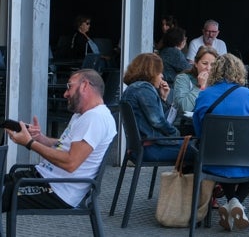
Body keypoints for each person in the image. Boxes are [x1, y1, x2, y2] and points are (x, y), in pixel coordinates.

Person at [3, 69, 116, 211]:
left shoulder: (95, 118)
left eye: (69, 86)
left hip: (57, 190)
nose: (65, 93)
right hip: (44, 178)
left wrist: (30, 143)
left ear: (85, 85)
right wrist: (41, 139)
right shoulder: (82, 115)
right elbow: (66, 145)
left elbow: (70, 162)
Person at [192, 53, 249, 231]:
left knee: (227, 162)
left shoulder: (204, 96)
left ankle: (232, 203)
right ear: (239, 71)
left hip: (212, 161)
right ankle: (236, 203)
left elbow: (199, 132)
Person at [121, 53, 190, 163]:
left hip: (140, 148)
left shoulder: (132, 89)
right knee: (198, 150)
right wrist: (176, 134)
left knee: (193, 146)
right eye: (159, 72)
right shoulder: (144, 88)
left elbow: (157, 118)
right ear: (151, 72)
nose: (162, 76)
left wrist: (162, 98)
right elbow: (157, 121)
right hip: (151, 148)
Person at [173, 46, 219, 132]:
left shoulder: (218, 82)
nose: (208, 68)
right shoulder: (183, 78)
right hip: (187, 127)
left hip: (212, 125)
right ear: (196, 63)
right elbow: (184, 108)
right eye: (205, 63)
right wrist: (199, 87)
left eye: (213, 65)